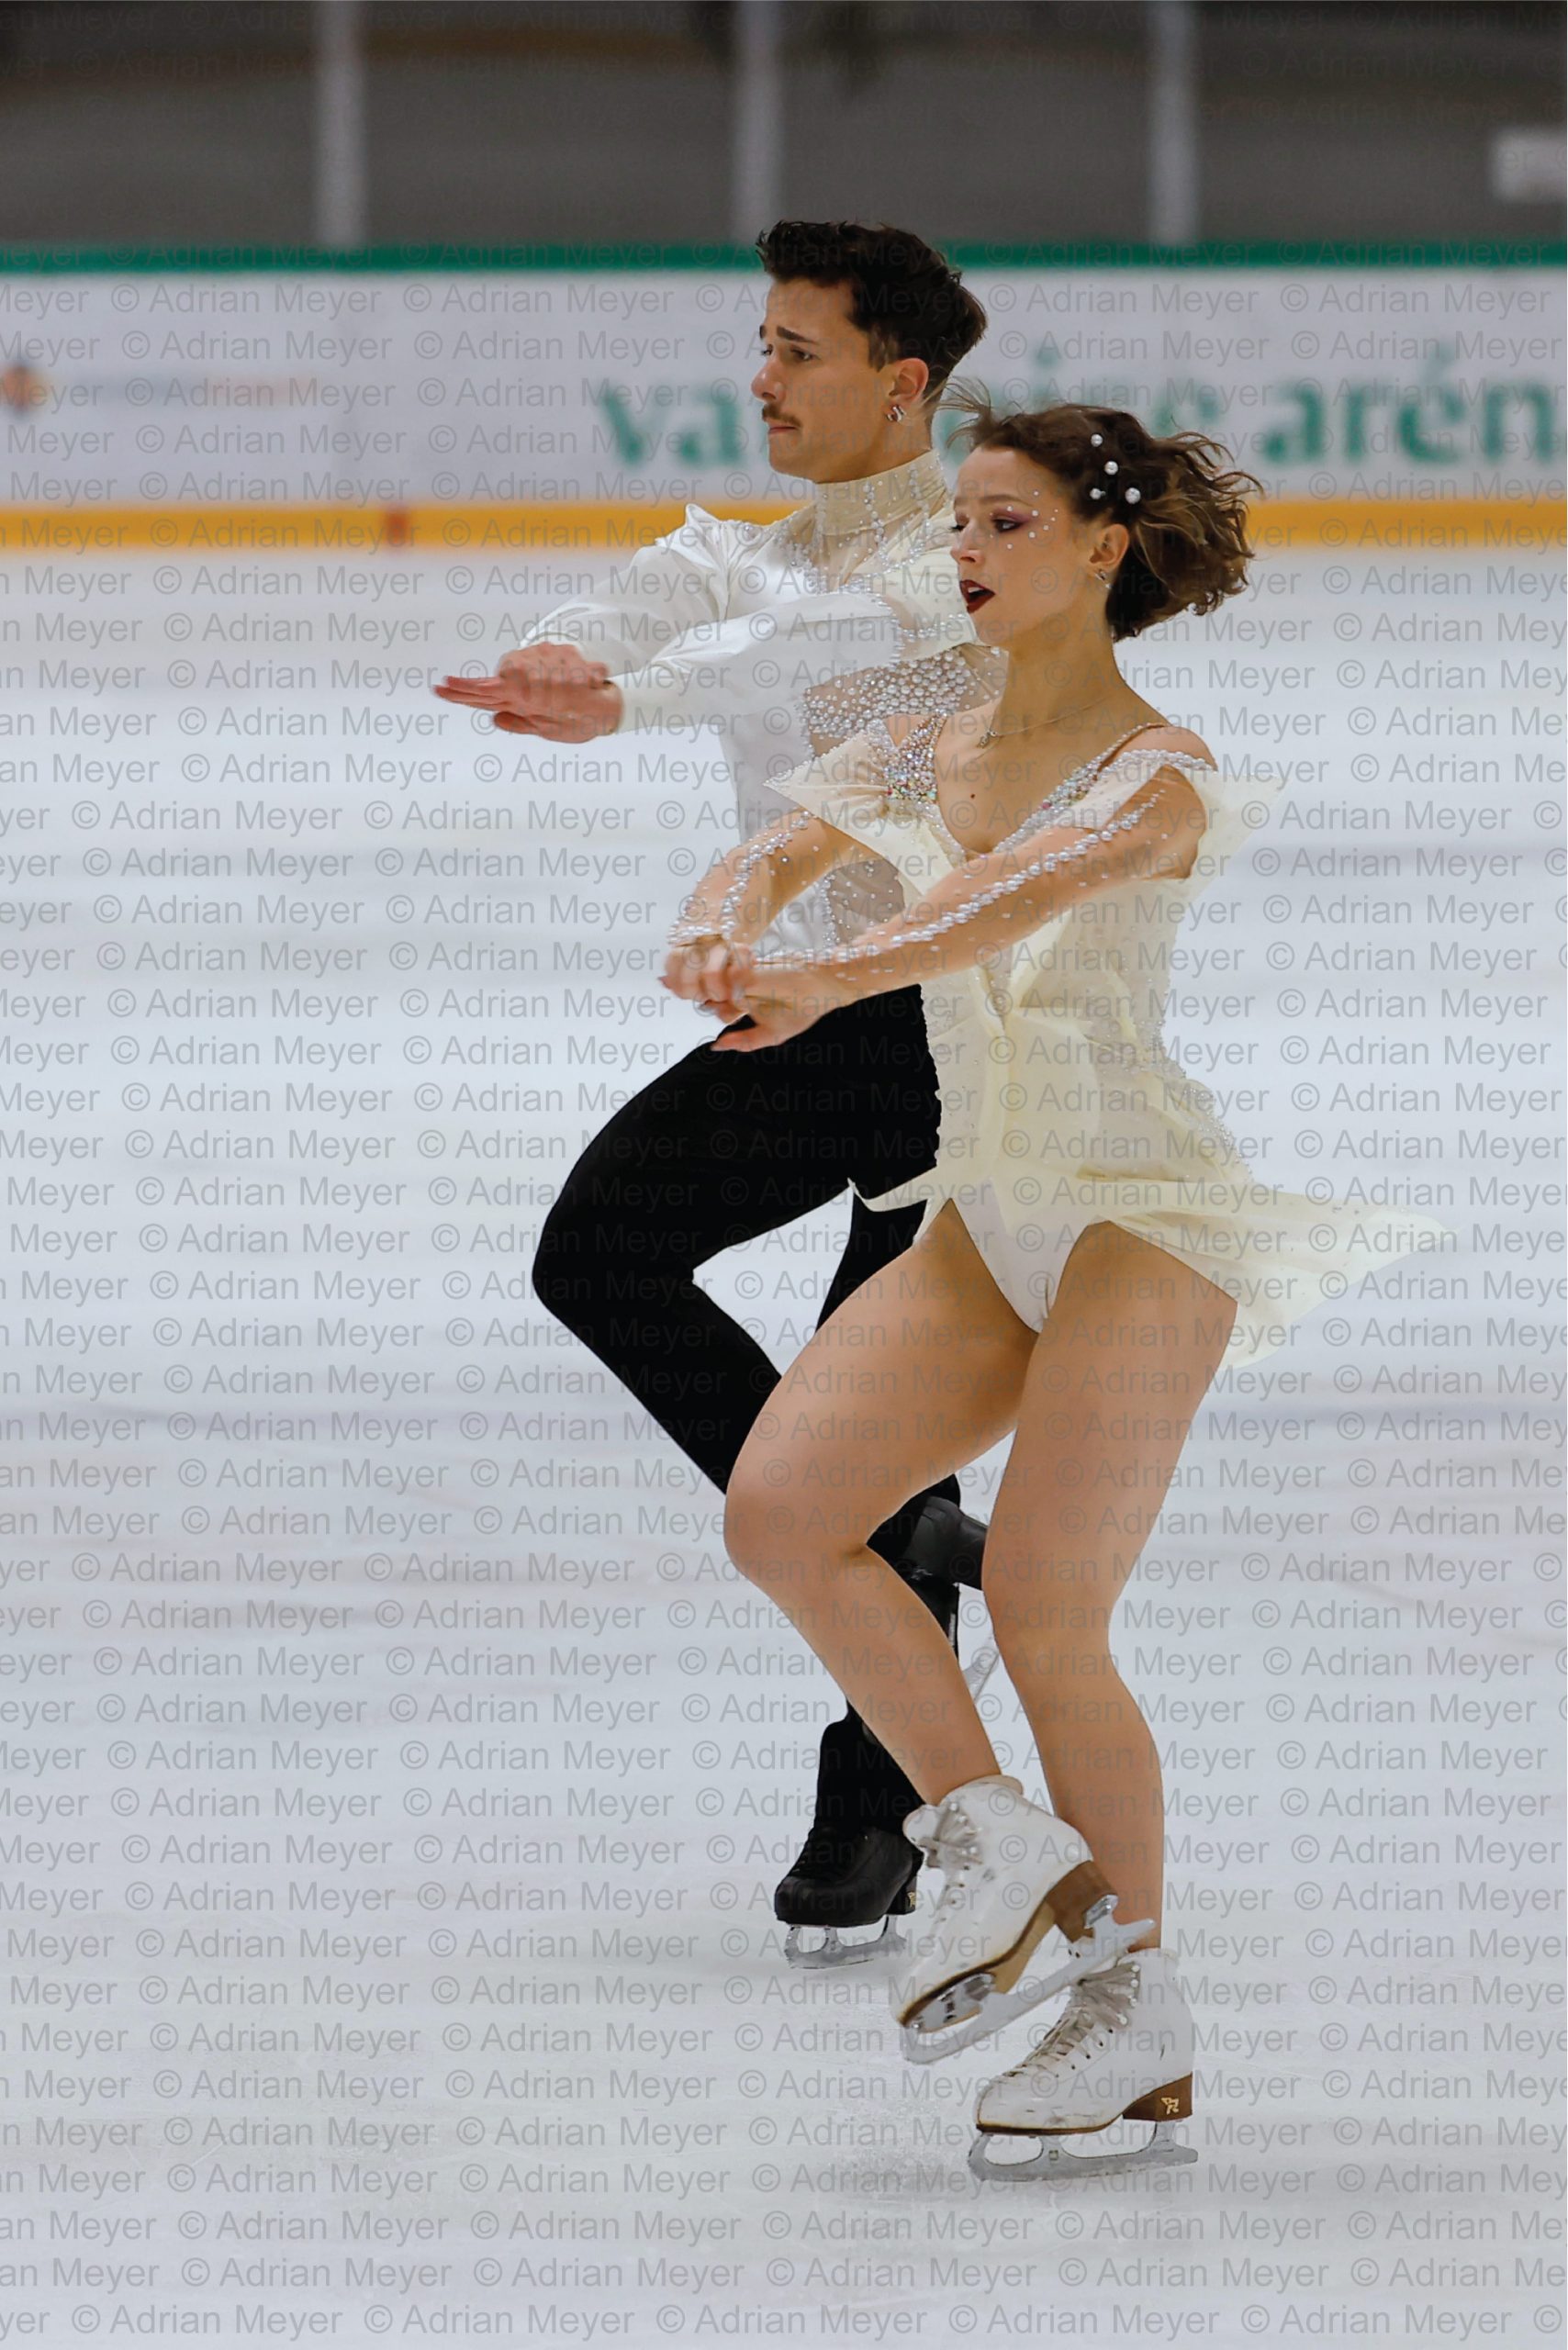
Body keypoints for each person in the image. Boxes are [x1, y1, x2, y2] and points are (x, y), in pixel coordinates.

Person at [662, 397, 1451, 2180]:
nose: (963, 552)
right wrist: (723, 916)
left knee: (1038, 1598)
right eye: (960, 524)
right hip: (984, 1219)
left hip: (1136, 1216)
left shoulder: (1155, 775)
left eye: (1005, 525)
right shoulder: (906, 711)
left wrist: (820, 973)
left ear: (1101, 550)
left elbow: (981, 911)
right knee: (782, 1512)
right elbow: (775, 842)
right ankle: (990, 1836)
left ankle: (1132, 2002)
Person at [434, 221, 1007, 1964]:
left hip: (949, 1031)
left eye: (798, 351)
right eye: (759, 343)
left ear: (899, 384)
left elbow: (800, 670)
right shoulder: (784, 547)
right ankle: (894, 1529)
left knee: (837, 1411)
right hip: (814, 1019)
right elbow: (689, 583)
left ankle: (875, 1808)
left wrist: (622, 699)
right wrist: (566, 652)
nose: (761, 379)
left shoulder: (972, 566)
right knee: (599, 1254)